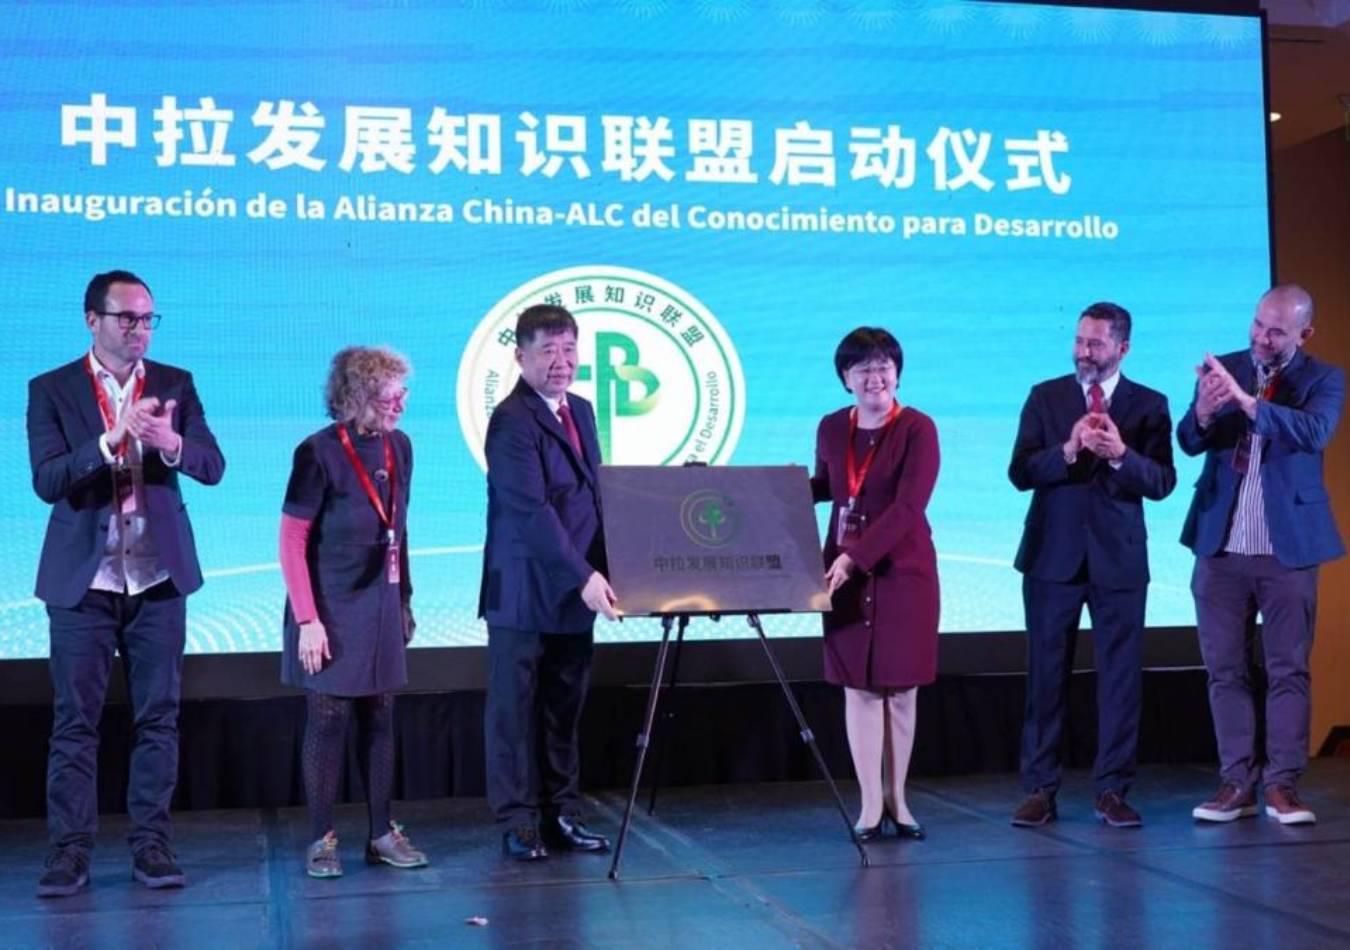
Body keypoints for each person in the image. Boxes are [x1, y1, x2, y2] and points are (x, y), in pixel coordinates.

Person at [27, 269, 225, 897]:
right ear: (93, 320)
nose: (139, 330)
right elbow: (48, 480)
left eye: (147, 319)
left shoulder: (175, 384)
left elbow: (212, 466)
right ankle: (69, 852)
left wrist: (170, 443)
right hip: (84, 582)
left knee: (159, 718)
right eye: (126, 319)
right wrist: (110, 441)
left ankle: (151, 846)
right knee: (75, 721)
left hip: (156, 579)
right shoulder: (52, 389)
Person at [1179, 284, 1344, 826]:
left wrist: (1249, 404)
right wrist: (1203, 412)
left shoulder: (1322, 379)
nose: (1260, 337)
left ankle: (1283, 785)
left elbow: (1314, 432)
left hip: (1286, 551)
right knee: (1224, 670)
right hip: (1221, 548)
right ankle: (1235, 783)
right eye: (1257, 324)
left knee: (1287, 670)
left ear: (1304, 334)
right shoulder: (1224, 367)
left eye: (1276, 330)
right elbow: (1189, 439)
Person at [1008, 302, 1175, 829]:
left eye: (1096, 343)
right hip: (1051, 559)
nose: (1084, 352)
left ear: (1122, 348)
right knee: (1046, 676)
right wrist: (1069, 448)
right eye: (1080, 341)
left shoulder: (1149, 404)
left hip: (1119, 562)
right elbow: (1019, 472)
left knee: (1120, 679)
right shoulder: (1046, 396)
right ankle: (1039, 789)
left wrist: (1123, 455)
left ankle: (1112, 790)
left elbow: (1163, 482)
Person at [279, 347, 428, 877]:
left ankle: (382, 833)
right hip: (329, 603)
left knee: (381, 714)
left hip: (381, 600)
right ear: (360, 394)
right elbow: (292, 539)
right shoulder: (317, 453)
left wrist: (404, 597)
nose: (402, 401)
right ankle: (321, 838)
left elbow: (399, 529)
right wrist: (307, 620)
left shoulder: (400, 448)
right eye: (392, 391)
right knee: (328, 717)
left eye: (403, 390)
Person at [479, 304, 617, 861]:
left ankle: (563, 813)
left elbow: (595, 499)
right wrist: (584, 575)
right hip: (524, 592)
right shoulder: (511, 420)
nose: (561, 363)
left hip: (573, 590)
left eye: (568, 350)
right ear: (520, 356)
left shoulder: (580, 410)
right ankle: (518, 822)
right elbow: (530, 511)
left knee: (564, 709)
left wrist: (613, 566)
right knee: (514, 714)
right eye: (547, 351)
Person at [812, 327, 940, 841]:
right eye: (862, 368)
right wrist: (763, 493)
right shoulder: (829, 428)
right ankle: (868, 805)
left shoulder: (917, 428)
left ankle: (899, 800)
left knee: (901, 688)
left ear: (898, 372)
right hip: (840, 576)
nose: (875, 376)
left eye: (884, 366)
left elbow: (909, 507)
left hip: (901, 574)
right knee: (859, 690)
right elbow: (828, 486)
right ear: (845, 378)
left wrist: (855, 559)